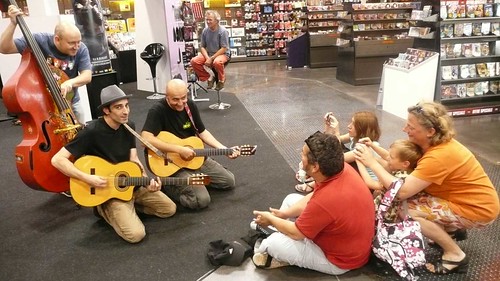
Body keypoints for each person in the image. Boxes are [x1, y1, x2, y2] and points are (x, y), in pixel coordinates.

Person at [354, 101, 500, 275]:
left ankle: (455, 255)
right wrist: (375, 149)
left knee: (405, 210)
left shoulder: (438, 156)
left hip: (478, 209)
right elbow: (404, 164)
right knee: (412, 200)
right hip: (466, 199)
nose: (404, 129)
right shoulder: (434, 144)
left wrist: (370, 162)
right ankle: (451, 231)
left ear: (430, 132)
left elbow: (401, 191)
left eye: (410, 126)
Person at [51, 85, 176, 243]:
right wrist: (87, 178)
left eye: (126, 105)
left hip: (130, 183)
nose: (125, 111)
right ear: (106, 110)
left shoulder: (128, 126)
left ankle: (127, 208)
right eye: (118, 107)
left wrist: (146, 180)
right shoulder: (91, 131)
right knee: (136, 235)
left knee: (169, 209)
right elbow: (57, 160)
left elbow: (134, 159)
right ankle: (104, 209)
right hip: (106, 189)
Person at [252, 131, 375, 275]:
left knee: (271, 244)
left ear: (315, 167)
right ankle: (285, 233)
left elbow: (297, 233)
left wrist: (271, 218)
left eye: (303, 154)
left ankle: (278, 244)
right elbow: (315, 195)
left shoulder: (326, 199)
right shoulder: (340, 169)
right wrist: (284, 214)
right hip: (348, 243)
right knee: (290, 201)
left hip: (339, 261)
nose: (300, 154)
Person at [141, 78, 238, 210]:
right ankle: (169, 185)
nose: (180, 103)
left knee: (228, 181)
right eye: (175, 99)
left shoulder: (189, 106)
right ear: (167, 97)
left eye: (183, 97)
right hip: (171, 163)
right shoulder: (157, 110)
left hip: (193, 157)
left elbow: (202, 132)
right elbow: (146, 139)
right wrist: (179, 150)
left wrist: (223, 148)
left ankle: (193, 180)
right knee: (201, 200)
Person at [0, 4, 92, 124]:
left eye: (78, 42)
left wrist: (70, 82)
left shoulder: (81, 49)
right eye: (71, 43)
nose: (76, 47)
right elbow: (4, 48)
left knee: (81, 136)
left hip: (71, 101)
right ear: (57, 39)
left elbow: (87, 76)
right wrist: (13, 24)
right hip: (44, 104)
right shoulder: (40, 40)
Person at [295, 110, 381, 193]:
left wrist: (336, 131)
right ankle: (316, 176)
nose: (349, 126)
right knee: (331, 150)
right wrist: (328, 128)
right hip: (358, 172)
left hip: (365, 183)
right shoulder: (356, 137)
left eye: (354, 124)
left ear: (362, 129)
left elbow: (338, 158)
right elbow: (330, 142)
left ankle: (314, 183)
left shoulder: (366, 146)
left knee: (334, 163)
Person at [190, 10, 230, 91]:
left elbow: (224, 48)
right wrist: (207, 57)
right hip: (209, 54)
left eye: (210, 20)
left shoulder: (223, 31)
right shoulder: (205, 30)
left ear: (216, 20)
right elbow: (202, 47)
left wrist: (211, 59)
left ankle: (221, 80)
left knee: (217, 62)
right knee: (194, 61)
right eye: (207, 19)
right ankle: (209, 77)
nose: (208, 22)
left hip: (222, 54)